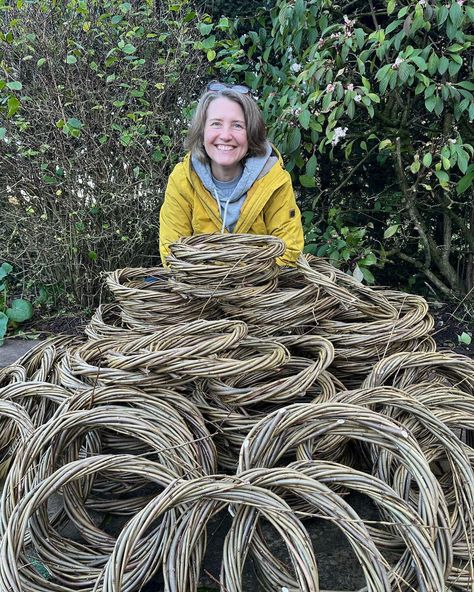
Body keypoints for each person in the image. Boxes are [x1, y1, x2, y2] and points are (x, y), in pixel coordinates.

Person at [159, 81, 304, 266]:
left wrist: (242, 285)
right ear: (202, 132)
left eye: (237, 125)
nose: (226, 135)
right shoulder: (183, 179)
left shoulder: (274, 180)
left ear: (250, 133)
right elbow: (172, 253)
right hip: (197, 292)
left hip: (262, 292)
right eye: (216, 124)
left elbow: (289, 252)